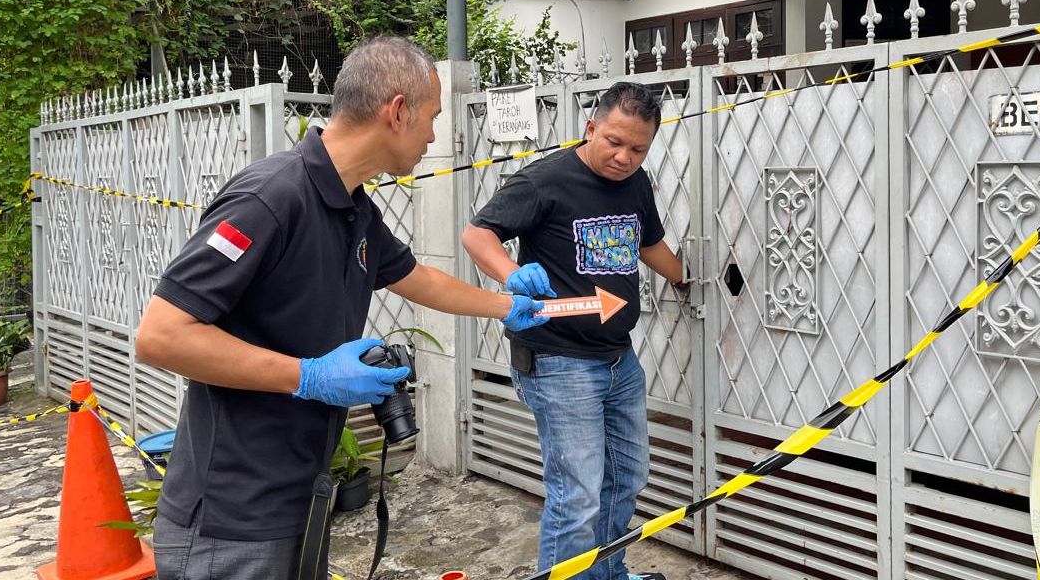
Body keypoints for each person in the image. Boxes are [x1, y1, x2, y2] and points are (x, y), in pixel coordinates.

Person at [134, 36, 546, 580]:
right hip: (231, 516)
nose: (432, 135)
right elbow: (160, 335)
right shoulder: (271, 198)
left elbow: (416, 278)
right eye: (431, 117)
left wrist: (505, 304)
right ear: (397, 112)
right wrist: (311, 376)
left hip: (301, 496)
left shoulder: (352, 204)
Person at [462, 82, 685, 580]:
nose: (624, 157)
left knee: (626, 479)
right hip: (558, 362)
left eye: (638, 148)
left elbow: (648, 242)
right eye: (614, 142)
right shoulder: (545, 180)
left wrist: (682, 274)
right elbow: (477, 233)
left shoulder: (636, 183)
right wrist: (509, 275)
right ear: (590, 128)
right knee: (577, 492)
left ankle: (607, 573)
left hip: (618, 359)